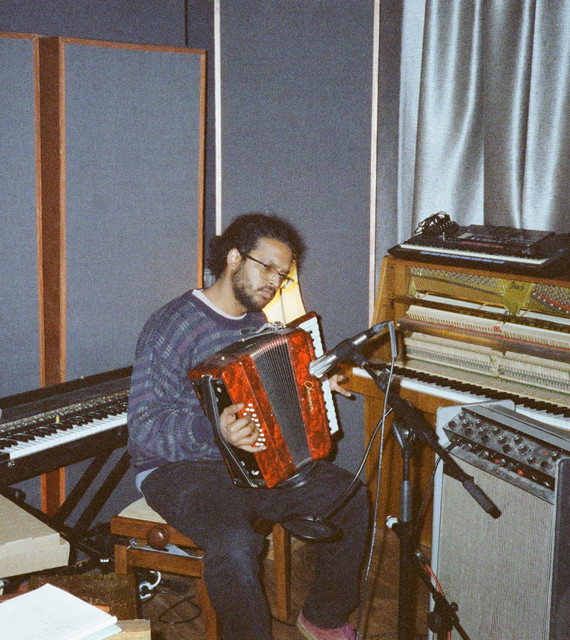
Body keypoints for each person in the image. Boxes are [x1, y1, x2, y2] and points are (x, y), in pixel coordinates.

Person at [127, 213, 369, 640]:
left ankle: (323, 617)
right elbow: (145, 427)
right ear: (234, 258)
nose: (274, 282)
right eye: (267, 268)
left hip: (255, 462)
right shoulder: (172, 325)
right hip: (179, 470)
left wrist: (313, 392)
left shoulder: (258, 325)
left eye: (282, 275)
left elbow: (269, 404)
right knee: (236, 545)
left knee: (350, 495)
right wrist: (215, 431)